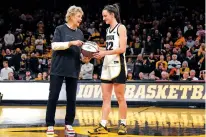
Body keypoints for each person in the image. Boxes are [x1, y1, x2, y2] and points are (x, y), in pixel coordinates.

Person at [88, 3, 128, 135]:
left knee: (120, 97)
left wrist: (104, 53)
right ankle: (103, 124)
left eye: (105, 16)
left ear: (112, 15)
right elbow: (109, 48)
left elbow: (122, 49)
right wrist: (97, 49)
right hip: (107, 65)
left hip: (118, 65)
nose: (104, 18)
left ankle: (123, 124)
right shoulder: (108, 30)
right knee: (105, 98)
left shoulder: (120, 28)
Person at [45, 5, 84, 135]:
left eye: (81, 17)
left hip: (73, 69)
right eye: (79, 16)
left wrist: (86, 58)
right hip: (58, 68)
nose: (80, 19)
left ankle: (69, 123)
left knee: (72, 98)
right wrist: (71, 43)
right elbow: (54, 46)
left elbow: (80, 54)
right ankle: (50, 124)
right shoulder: (60, 29)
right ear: (71, 16)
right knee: (53, 96)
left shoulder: (80, 33)